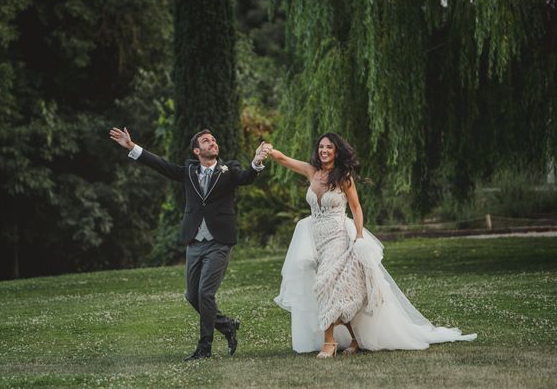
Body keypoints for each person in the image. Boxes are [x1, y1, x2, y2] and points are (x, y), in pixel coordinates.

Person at [266, 133, 476, 357]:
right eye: (321, 147)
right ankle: (355, 339)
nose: (324, 150)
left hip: (338, 238)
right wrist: (268, 150)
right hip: (316, 239)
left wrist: (358, 237)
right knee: (334, 291)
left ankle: (329, 342)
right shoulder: (312, 172)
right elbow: (284, 159)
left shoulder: (344, 177)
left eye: (329, 147)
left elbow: (356, 208)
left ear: (337, 151)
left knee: (323, 284)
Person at [110, 126, 270, 360]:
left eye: (214, 140)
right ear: (197, 150)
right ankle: (227, 325)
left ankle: (204, 348)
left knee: (205, 293)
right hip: (194, 241)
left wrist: (256, 162)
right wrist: (132, 147)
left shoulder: (230, 169)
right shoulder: (188, 170)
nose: (212, 143)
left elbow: (246, 178)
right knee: (191, 295)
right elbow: (161, 165)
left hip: (219, 241)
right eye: (206, 141)